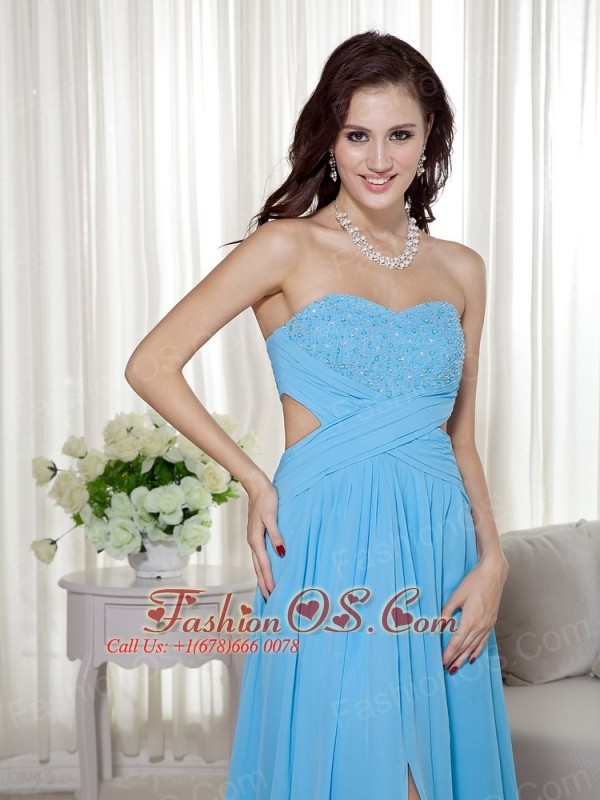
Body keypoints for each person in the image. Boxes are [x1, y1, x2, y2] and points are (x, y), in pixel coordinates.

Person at [125, 29, 519, 800]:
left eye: (400, 134)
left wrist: (493, 560)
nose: (379, 158)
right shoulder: (286, 247)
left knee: (439, 770)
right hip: (327, 536)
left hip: (439, 541)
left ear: (430, 139)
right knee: (359, 766)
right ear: (329, 140)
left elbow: (461, 439)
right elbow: (151, 363)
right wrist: (252, 480)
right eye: (357, 135)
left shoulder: (462, 269)